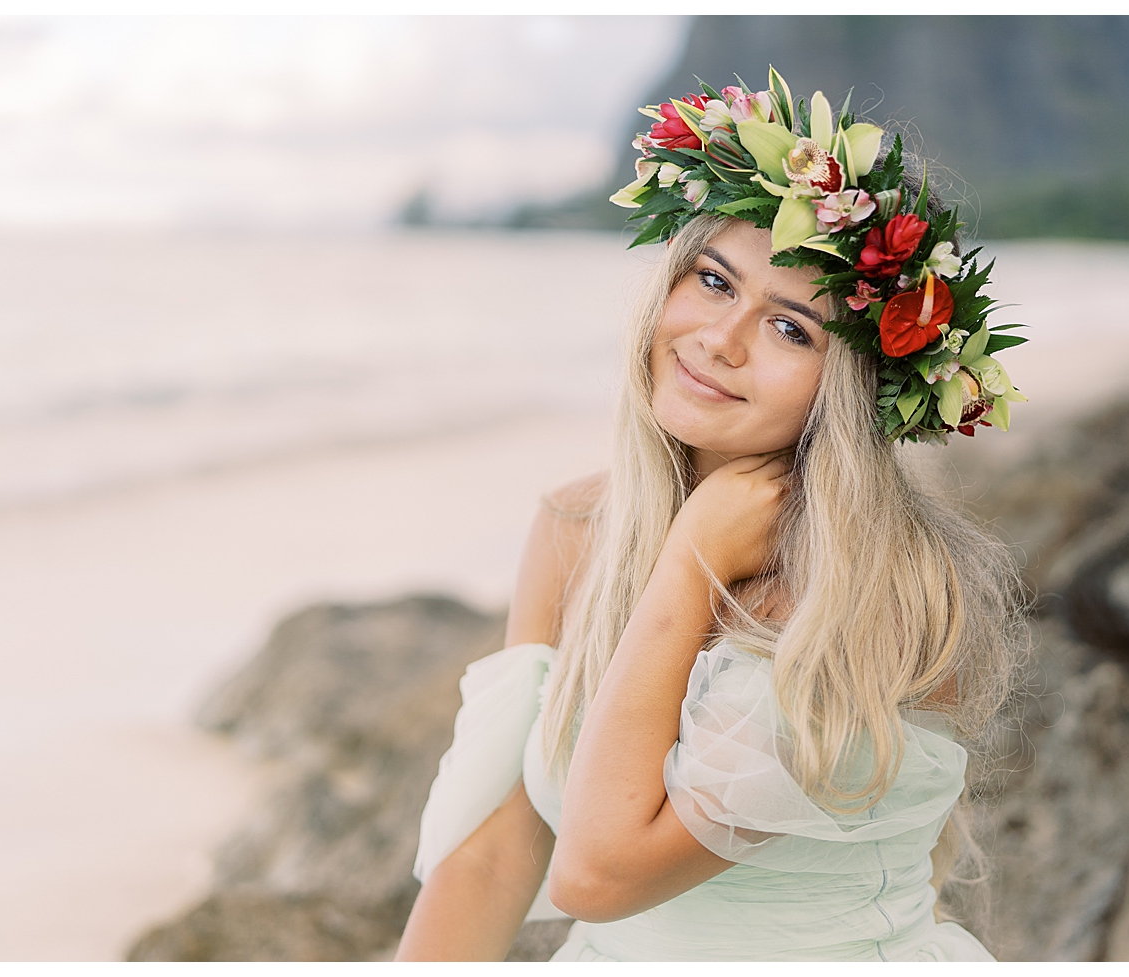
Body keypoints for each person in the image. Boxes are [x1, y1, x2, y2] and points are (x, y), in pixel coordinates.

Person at [395, 70, 1028, 962]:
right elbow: (497, 858)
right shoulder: (577, 528)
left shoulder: (879, 594)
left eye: (792, 329)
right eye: (713, 280)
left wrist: (689, 566)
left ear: (851, 387)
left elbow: (597, 875)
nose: (720, 340)